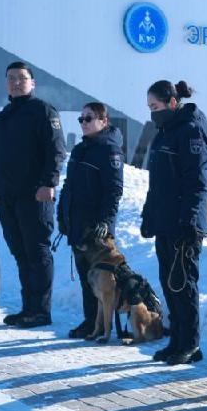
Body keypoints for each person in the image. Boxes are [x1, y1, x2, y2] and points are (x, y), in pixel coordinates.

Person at [140, 80, 207, 366]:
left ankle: (191, 343)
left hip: (184, 223)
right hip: (165, 220)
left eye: (155, 106)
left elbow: (197, 182)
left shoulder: (191, 130)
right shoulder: (164, 133)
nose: (152, 113)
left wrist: (189, 221)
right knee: (169, 284)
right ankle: (177, 340)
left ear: (172, 103)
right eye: (149, 107)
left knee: (184, 284)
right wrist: (149, 214)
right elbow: (157, 182)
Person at [0, 61, 66, 328]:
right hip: (8, 196)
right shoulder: (4, 116)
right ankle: (28, 308)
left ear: (32, 83)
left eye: (21, 78)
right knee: (20, 253)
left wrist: (49, 182)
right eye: (11, 78)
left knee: (37, 252)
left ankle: (41, 311)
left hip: (34, 194)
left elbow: (56, 150)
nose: (16, 82)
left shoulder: (43, 111)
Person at [58, 102, 125, 339]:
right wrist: (62, 214)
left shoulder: (109, 150)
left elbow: (114, 190)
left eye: (89, 118)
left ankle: (103, 325)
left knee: (99, 279)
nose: (84, 123)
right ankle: (91, 322)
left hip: (96, 229)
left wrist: (105, 221)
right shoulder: (80, 150)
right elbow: (69, 186)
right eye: (81, 119)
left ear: (103, 121)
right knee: (87, 278)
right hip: (77, 224)